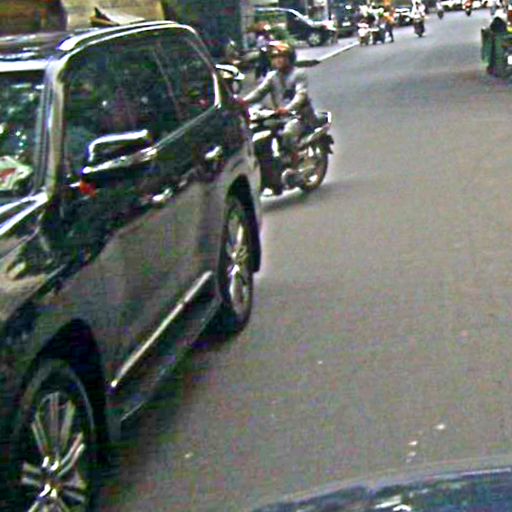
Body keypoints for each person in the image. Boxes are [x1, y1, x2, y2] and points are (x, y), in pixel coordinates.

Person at [243, 41, 317, 183]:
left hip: (299, 115)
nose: (278, 60)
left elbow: (301, 95)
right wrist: (242, 102)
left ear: (290, 58)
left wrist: (288, 108)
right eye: (275, 57)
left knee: (288, 133)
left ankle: (295, 169)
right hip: (279, 115)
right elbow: (259, 92)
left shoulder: (299, 74)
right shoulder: (272, 76)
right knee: (258, 132)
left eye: (282, 57)